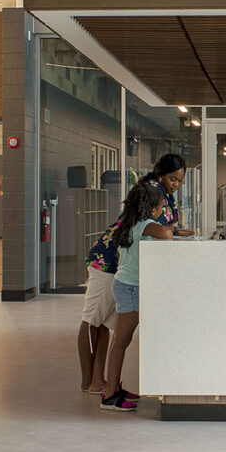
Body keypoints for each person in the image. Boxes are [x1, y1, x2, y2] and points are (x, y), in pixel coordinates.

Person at [77, 154, 194, 395]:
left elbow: (162, 226)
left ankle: (101, 380)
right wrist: (170, 229)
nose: (176, 185)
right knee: (92, 321)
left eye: (180, 181)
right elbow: (153, 225)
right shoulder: (151, 189)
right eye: (173, 179)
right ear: (160, 173)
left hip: (124, 266)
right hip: (108, 262)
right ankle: (89, 381)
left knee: (104, 325)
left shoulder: (163, 192)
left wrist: (173, 230)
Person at [101, 183, 173, 411]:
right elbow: (165, 232)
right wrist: (171, 228)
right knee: (121, 341)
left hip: (126, 285)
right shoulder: (147, 225)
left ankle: (114, 387)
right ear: (152, 209)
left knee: (121, 341)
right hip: (131, 288)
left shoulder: (131, 224)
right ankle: (110, 395)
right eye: (162, 206)